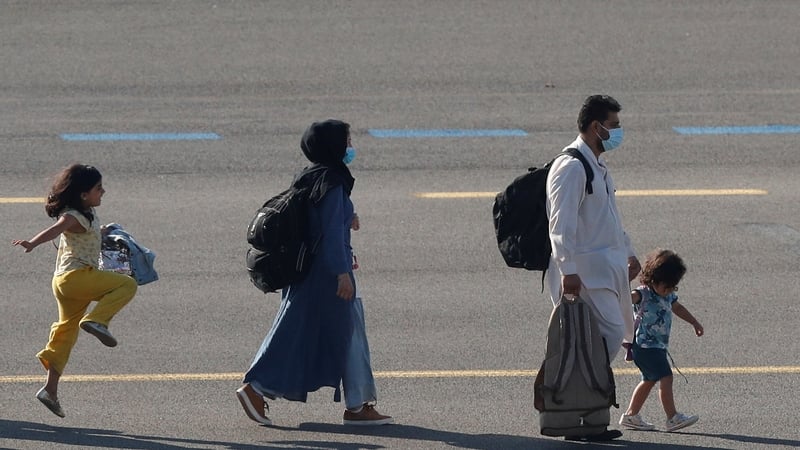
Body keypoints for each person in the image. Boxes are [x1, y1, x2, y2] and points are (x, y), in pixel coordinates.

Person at [236, 119, 393, 427]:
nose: (350, 147)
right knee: (300, 330)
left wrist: (350, 216)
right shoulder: (333, 181)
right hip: (325, 274)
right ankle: (256, 387)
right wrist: (341, 272)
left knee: (337, 330)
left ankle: (358, 404)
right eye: (347, 141)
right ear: (333, 146)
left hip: (308, 269)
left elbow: (318, 221)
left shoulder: (311, 176)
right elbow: (331, 232)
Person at [545, 94, 641, 441]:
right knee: (605, 337)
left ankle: (588, 418)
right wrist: (568, 269)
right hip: (583, 275)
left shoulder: (597, 166)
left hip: (605, 269)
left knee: (599, 343)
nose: (617, 132)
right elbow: (561, 224)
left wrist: (628, 252)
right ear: (594, 126)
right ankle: (578, 414)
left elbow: (610, 218)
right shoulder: (571, 167)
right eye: (613, 126)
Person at [12, 164, 138, 418]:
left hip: (66, 284)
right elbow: (57, 228)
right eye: (98, 189)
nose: (103, 192)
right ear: (83, 194)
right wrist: (32, 243)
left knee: (65, 334)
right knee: (126, 284)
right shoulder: (73, 216)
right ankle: (97, 321)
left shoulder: (87, 213)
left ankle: (50, 390)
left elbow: (85, 233)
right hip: (76, 278)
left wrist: (105, 232)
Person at [619, 249, 703, 432]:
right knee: (666, 377)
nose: (670, 291)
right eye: (667, 287)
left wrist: (694, 322)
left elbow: (678, 308)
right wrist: (622, 286)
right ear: (653, 280)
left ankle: (631, 415)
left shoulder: (668, 295)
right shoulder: (643, 294)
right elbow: (626, 299)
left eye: (674, 287)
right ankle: (672, 417)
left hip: (657, 346)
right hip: (645, 346)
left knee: (649, 380)